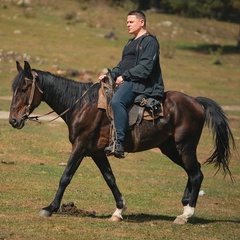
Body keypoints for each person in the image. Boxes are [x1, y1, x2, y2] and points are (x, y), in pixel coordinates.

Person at [99, 10, 164, 158]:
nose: (127, 25)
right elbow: (122, 65)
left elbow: (146, 68)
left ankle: (119, 143)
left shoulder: (150, 42)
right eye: (127, 22)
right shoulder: (130, 43)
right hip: (129, 79)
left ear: (142, 22)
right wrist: (110, 75)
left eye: (131, 22)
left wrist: (125, 76)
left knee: (117, 101)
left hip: (142, 83)